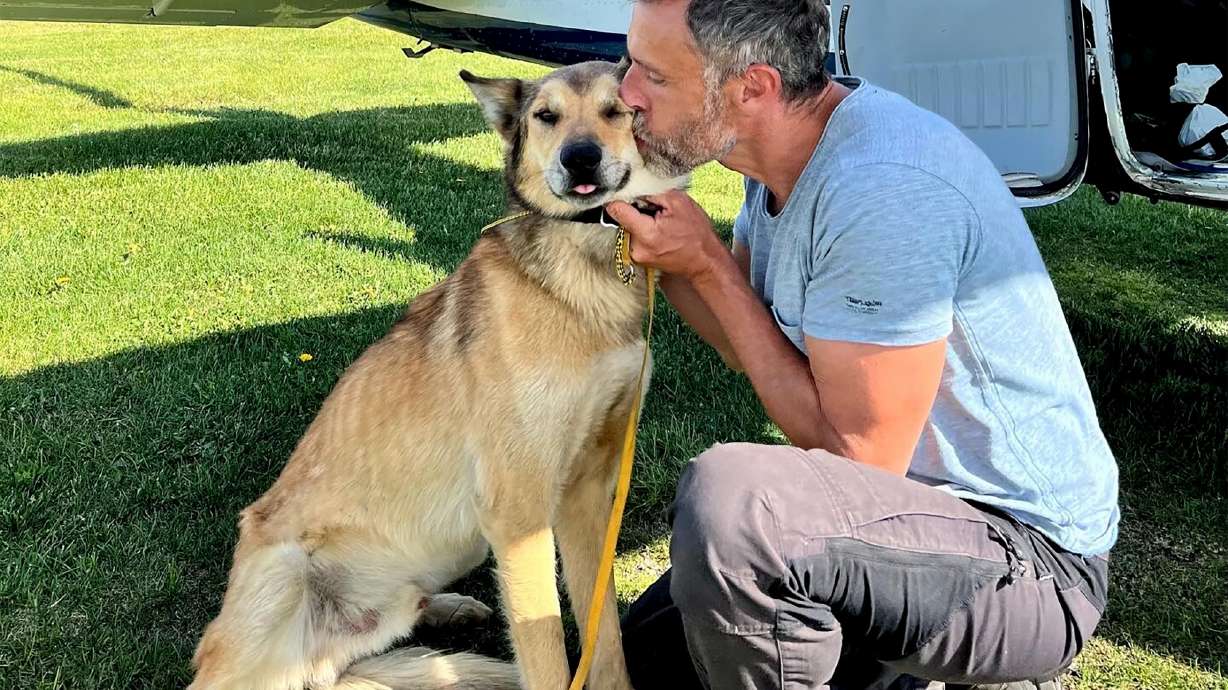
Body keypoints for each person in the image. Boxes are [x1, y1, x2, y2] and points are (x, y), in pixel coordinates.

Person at [600, 1, 1120, 688]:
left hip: (1026, 565)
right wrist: (665, 255)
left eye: (653, 75)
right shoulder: (778, 156)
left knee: (737, 509)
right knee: (636, 666)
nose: (625, 94)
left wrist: (708, 264)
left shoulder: (882, 186)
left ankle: (966, 669)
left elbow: (861, 458)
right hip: (896, 524)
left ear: (752, 88)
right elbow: (746, 344)